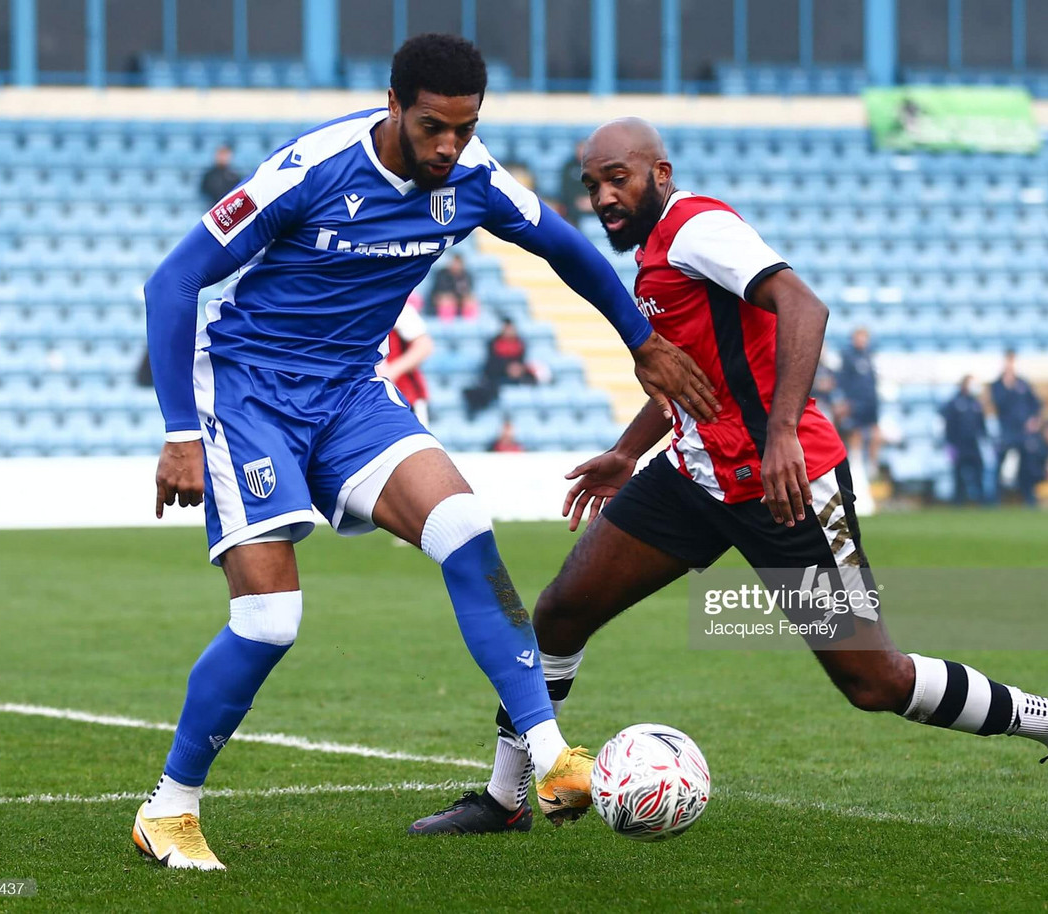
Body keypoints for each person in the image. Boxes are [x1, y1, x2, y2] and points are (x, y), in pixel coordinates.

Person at [411, 117, 1048, 838]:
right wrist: (628, 452)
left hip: (787, 488)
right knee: (561, 612)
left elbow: (803, 305)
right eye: (592, 185)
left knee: (874, 681)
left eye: (617, 179)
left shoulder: (696, 228)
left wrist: (781, 432)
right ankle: (505, 799)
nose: (603, 197)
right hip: (695, 479)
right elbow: (693, 378)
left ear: (661, 172)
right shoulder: (654, 255)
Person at [137, 35, 719, 870]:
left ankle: (550, 755)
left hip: (349, 394)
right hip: (251, 395)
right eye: (433, 127)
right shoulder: (312, 169)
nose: (449, 146)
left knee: (466, 532)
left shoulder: (474, 175)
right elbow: (172, 281)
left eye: (465, 127)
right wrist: (180, 433)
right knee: (269, 622)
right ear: (393, 105)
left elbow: (565, 247)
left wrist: (639, 341)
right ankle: (170, 809)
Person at [990, 349, 1042, 502]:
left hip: (1023, 432)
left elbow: (1035, 404)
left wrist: (1034, 420)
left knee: (1026, 466)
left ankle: (1028, 497)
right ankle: (995, 499)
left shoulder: (1023, 383)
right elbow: (999, 402)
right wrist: (1008, 384)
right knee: (1000, 465)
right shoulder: (997, 385)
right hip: (1006, 431)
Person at [377, 292, 434, 427]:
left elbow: (424, 346)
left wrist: (390, 372)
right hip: (374, 400)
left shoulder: (397, 306)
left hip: (405, 397)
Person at [463, 317, 535, 415]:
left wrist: (518, 369)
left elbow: (521, 362)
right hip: (497, 377)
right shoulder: (494, 343)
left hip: (515, 377)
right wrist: (507, 368)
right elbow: (491, 364)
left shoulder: (520, 344)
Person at [836, 327, 880, 474]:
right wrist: (846, 399)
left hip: (871, 400)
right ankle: (856, 461)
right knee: (856, 431)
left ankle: (873, 465)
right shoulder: (848, 356)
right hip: (855, 400)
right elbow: (842, 379)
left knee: (875, 431)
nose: (862, 340)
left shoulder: (869, 355)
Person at [940, 375, 987, 505]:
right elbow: (948, 424)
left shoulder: (976, 403)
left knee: (979, 473)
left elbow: (981, 424)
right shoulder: (954, 403)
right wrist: (950, 444)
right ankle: (958, 502)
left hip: (974, 444)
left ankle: (981, 501)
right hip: (959, 444)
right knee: (958, 476)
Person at [429, 252, 480, 320]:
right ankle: (446, 324)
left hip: (459, 300)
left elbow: (468, 292)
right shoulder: (442, 274)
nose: (456, 266)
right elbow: (438, 293)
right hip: (442, 300)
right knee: (447, 302)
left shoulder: (466, 275)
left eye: (458, 264)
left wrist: (465, 297)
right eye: (454, 263)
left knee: (470, 301)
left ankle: (470, 324)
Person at [554, 141, 594, 226]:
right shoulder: (568, 166)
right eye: (580, 148)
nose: (582, 152)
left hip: (593, 202)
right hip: (573, 205)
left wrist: (591, 201)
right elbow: (565, 189)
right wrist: (578, 201)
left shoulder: (596, 166)